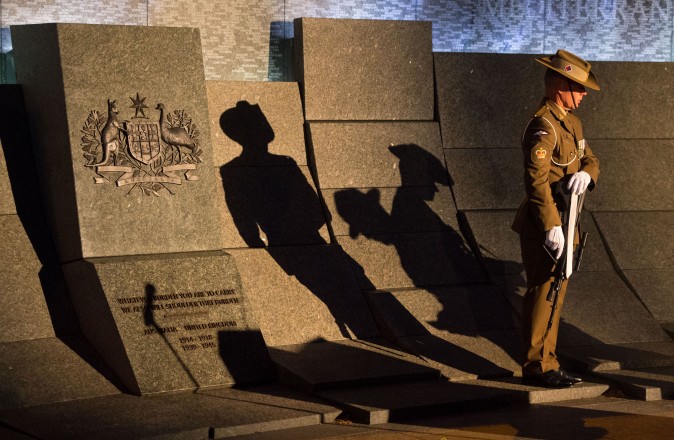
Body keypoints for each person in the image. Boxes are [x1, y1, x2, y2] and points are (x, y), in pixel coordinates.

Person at [512, 49, 600, 388]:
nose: (583, 95)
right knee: (543, 292)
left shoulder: (571, 122)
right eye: (578, 88)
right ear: (559, 85)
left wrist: (588, 175)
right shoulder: (544, 125)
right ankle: (537, 367)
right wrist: (551, 225)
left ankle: (549, 362)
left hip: (569, 220)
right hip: (545, 224)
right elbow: (535, 180)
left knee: (556, 294)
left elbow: (590, 158)